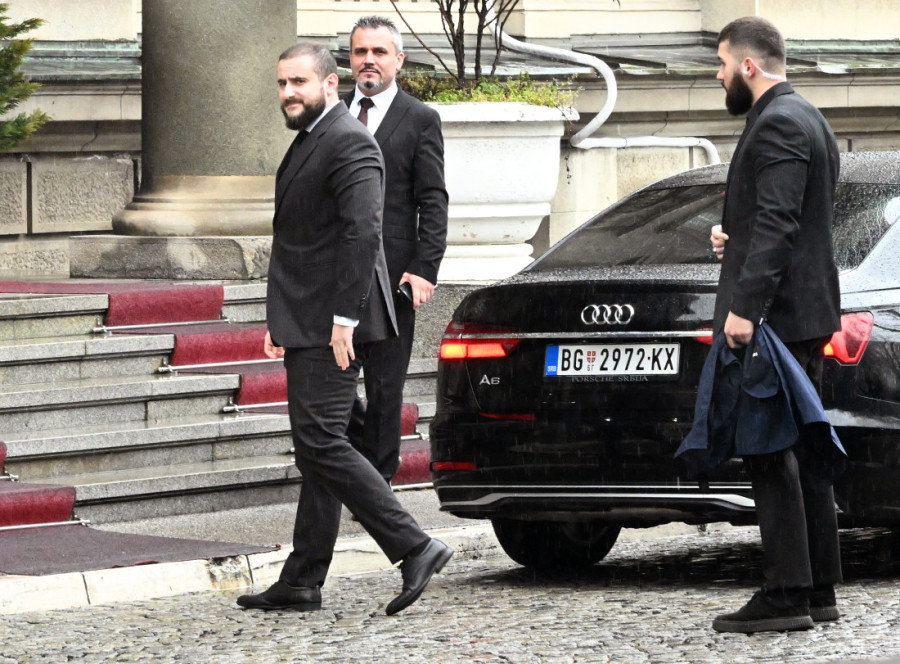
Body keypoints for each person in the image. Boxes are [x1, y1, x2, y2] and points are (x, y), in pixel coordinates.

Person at [236, 42, 452, 616]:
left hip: (334, 322)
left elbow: (363, 235)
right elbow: (301, 241)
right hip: (305, 318)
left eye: (299, 83)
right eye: (282, 83)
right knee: (323, 445)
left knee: (321, 442)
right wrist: (280, 319)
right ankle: (303, 578)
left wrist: (344, 320)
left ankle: (414, 546)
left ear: (330, 84)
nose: (288, 93)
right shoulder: (313, 137)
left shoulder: (349, 141)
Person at [708, 17, 843, 633]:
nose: (719, 76)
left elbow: (782, 224)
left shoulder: (779, 121)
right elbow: (783, 217)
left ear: (749, 65)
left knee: (768, 449)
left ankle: (788, 593)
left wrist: (745, 308)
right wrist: (731, 236)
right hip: (802, 313)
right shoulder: (806, 115)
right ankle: (819, 589)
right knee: (804, 450)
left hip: (776, 320)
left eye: (722, 64)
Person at [343, 15, 449, 484]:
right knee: (329, 383)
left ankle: (378, 484)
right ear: (350, 60)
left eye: (379, 52)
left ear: (398, 60)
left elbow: (433, 200)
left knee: (386, 389)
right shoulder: (331, 113)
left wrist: (425, 268)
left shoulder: (420, 118)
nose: (369, 60)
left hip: (393, 278)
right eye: (360, 52)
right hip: (336, 276)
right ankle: (356, 464)